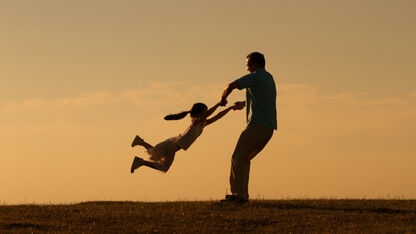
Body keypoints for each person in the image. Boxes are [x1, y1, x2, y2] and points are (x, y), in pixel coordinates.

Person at [219, 52, 277, 204]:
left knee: (237, 158)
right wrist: (244, 104)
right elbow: (261, 98)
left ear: (256, 64)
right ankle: (241, 195)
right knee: (244, 159)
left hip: (256, 126)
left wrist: (222, 98)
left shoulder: (256, 76)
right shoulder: (268, 77)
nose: (248, 69)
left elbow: (231, 85)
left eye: (249, 65)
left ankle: (238, 195)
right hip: (268, 128)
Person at [130, 102, 244, 173]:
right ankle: (140, 150)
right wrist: (218, 104)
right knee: (155, 154)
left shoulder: (202, 123)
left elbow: (217, 117)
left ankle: (140, 154)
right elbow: (208, 114)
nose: (206, 113)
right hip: (173, 145)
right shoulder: (195, 121)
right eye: (204, 111)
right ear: (199, 113)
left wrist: (229, 109)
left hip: (174, 146)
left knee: (161, 163)